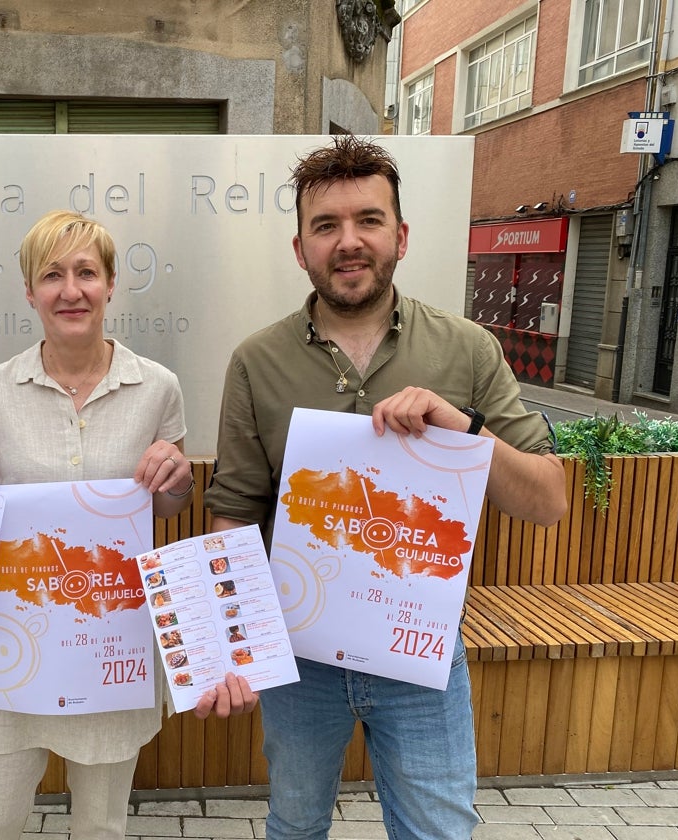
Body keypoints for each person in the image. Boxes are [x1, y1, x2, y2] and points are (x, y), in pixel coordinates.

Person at [203, 135, 567, 840]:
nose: (348, 241)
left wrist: (462, 431)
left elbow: (548, 500)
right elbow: (233, 515)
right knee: (296, 825)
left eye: (368, 220)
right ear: (299, 247)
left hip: (422, 653)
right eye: (325, 225)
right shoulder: (257, 361)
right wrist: (230, 646)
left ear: (399, 235)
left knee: (438, 830)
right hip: (298, 658)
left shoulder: (466, 348)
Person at [0, 210, 256, 839]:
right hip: (8, 647)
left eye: (86, 273)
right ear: (29, 291)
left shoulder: (157, 387)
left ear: (110, 285)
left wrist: (177, 478)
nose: (70, 290)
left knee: (102, 826)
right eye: (52, 275)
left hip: (110, 641)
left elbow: (164, 506)